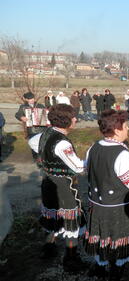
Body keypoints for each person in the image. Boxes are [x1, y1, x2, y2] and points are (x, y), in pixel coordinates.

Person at [84, 109, 129, 280]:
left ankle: (100, 266)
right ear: (117, 130)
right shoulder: (122, 154)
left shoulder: (93, 147)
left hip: (97, 204)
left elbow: (89, 169)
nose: (128, 129)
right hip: (117, 207)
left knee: (101, 235)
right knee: (117, 238)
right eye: (126, 126)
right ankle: (116, 270)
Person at [28, 104, 86, 272]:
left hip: (48, 183)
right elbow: (78, 168)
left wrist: (42, 162)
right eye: (73, 117)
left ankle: (48, 248)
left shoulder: (44, 134)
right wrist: (92, 160)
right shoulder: (62, 143)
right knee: (71, 222)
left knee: (52, 216)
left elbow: (32, 142)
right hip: (64, 188)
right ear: (66, 120)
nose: (75, 119)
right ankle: (71, 258)